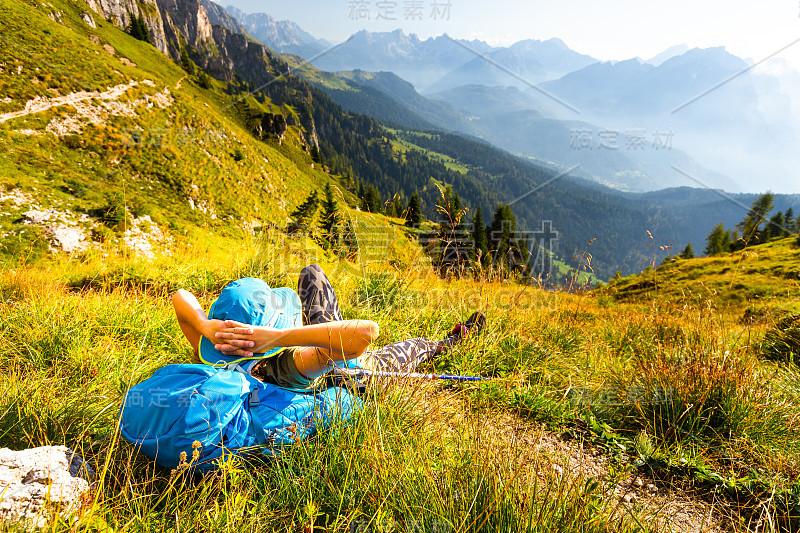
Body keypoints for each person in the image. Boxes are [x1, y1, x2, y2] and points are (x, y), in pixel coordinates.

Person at [171, 264, 486, 391]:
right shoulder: (286, 365)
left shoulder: (215, 351)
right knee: (415, 346)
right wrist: (278, 337)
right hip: (346, 367)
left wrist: (203, 324)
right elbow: (365, 333)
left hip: (314, 345)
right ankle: (448, 343)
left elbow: (180, 297)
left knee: (312, 273)